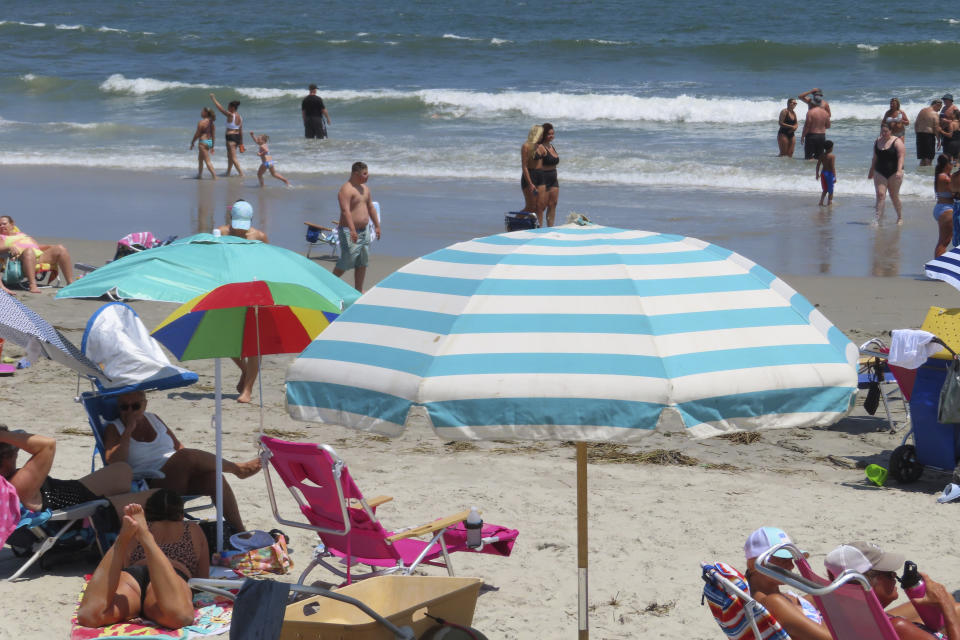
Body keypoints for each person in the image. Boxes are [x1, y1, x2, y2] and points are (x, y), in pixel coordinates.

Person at [102, 390, 261, 531]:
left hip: (179, 475)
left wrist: (193, 467)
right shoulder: (115, 428)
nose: (129, 411)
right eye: (124, 407)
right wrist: (129, 430)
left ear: (144, 405)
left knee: (215, 478)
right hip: (152, 483)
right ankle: (237, 469)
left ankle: (240, 532)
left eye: (135, 406)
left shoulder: (154, 419)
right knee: (186, 456)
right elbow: (114, 461)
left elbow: (178, 446)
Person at [77, 493, 208, 630]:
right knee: (180, 617)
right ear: (181, 514)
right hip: (172, 577)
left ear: (147, 514)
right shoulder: (193, 529)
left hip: (134, 576)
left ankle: (121, 540)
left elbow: (125, 565)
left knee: (90, 616)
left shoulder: (135, 526)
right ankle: (147, 538)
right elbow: (203, 579)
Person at [824, 541, 960, 640]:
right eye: (888, 573)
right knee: (952, 604)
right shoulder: (897, 628)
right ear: (864, 584)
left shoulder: (848, 617)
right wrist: (945, 605)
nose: (895, 576)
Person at [0, 425, 136, 514]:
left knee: (122, 471)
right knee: (130, 477)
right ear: (7, 456)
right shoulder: (17, 485)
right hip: (79, 505)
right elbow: (47, 445)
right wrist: (4, 435)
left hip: (72, 493)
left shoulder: (6, 484)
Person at [216, 199, 267, 402]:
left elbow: (269, 261)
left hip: (253, 290)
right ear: (230, 220)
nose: (240, 231)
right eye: (237, 225)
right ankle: (245, 370)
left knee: (254, 343)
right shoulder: (221, 233)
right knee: (224, 339)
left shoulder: (259, 237)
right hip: (228, 289)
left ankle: (248, 390)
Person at [744, 526, 830, 640]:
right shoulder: (774, 603)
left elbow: (802, 604)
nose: (791, 566)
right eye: (783, 559)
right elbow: (831, 637)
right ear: (754, 563)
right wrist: (835, 614)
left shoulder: (776, 598)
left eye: (791, 559)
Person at [333, 161, 381, 292]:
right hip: (349, 230)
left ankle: (358, 290)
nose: (368, 176)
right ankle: (329, 282)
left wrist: (377, 226)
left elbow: (371, 207)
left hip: (364, 231)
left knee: (362, 262)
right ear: (356, 174)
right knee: (347, 261)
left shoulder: (365, 188)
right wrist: (353, 230)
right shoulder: (346, 190)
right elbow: (345, 211)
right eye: (365, 174)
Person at [0, 215, 75, 292]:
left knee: (60, 248)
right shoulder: (1, 237)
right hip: (20, 261)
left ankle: (70, 283)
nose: (2, 226)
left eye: (4, 224)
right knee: (29, 251)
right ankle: (33, 285)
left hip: (38, 257)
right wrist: (8, 247)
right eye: (0, 225)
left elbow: (36, 246)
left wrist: (50, 246)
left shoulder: (21, 235)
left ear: (12, 224)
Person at [868, 123, 906, 225]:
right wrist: (871, 170)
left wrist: (899, 170)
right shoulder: (877, 141)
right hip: (880, 171)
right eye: (882, 131)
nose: (884, 133)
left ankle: (899, 217)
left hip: (894, 172)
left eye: (886, 131)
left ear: (891, 131)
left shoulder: (897, 142)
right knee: (880, 195)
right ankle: (877, 219)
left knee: (894, 196)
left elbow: (901, 157)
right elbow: (874, 158)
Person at [209, 93, 244, 177]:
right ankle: (228, 172)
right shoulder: (240, 117)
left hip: (230, 138)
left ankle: (241, 174)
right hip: (237, 137)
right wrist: (241, 143)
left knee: (233, 157)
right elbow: (241, 130)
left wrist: (213, 99)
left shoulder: (230, 115)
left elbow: (220, 108)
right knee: (230, 156)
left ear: (232, 108)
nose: (227, 108)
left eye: (228, 107)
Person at [536, 123, 560, 227]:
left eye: (553, 134)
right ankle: (539, 228)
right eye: (549, 134)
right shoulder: (540, 147)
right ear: (544, 134)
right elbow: (534, 164)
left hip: (553, 178)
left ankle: (550, 227)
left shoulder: (551, 146)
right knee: (542, 206)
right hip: (543, 178)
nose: (552, 136)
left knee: (553, 204)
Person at [799, 89, 831, 161]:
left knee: (810, 158)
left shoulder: (825, 104)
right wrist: (810, 91)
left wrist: (820, 120)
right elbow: (800, 96)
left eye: (818, 94)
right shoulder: (810, 101)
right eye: (815, 94)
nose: (817, 96)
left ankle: (811, 171)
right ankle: (815, 171)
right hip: (821, 134)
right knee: (819, 157)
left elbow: (829, 115)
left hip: (812, 132)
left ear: (821, 95)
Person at [934, 155, 955, 257]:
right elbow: (956, 190)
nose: (953, 165)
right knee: (944, 241)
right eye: (952, 163)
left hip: (943, 209)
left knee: (943, 240)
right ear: (946, 164)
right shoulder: (944, 177)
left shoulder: (944, 175)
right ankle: (937, 268)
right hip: (946, 210)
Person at [520, 124, 544, 213]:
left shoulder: (540, 146)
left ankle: (534, 225)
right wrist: (530, 183)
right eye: (541, 134)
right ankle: (514, 223)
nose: (542, 136)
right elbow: (524, 166)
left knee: (540, 206)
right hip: (530, 176)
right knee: (531, 207)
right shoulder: (526, 146)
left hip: (540, 177)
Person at [189, 107, 216, 180]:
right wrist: (212, 146)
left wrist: (192, 142)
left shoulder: (201, 122)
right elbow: (213, 136)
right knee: (200, 159)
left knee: (207, 161)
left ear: (206, 113)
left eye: (202, 111)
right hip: (209, 142)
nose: (201, 113)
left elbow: (197, 134)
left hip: (203, 142)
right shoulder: (211, 123)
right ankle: (199, 175)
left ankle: (215, 176)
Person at [916, 99, 943, 166]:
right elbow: (936, 128)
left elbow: (916, 124)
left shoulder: (922, 110)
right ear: (937, 105)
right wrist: (939, 140)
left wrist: (917, 134)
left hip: (919, 135)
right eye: (939, 108)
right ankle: (928, 176)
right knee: (929, 158)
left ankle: (920, 176)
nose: (939, 110)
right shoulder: (934, 113)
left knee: (923, 158)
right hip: (928, 136)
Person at [816, 140, 836, 206]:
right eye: (832, 147)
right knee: (831, 190)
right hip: (829, 174)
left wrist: (817, 174)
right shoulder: (832, 156)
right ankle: (829, 202)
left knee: (825, 189)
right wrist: (835, 176)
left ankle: (821, 202)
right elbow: (832, 167)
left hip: (823, 173)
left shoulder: (822, 155)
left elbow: (818, 165)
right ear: (830, 148)